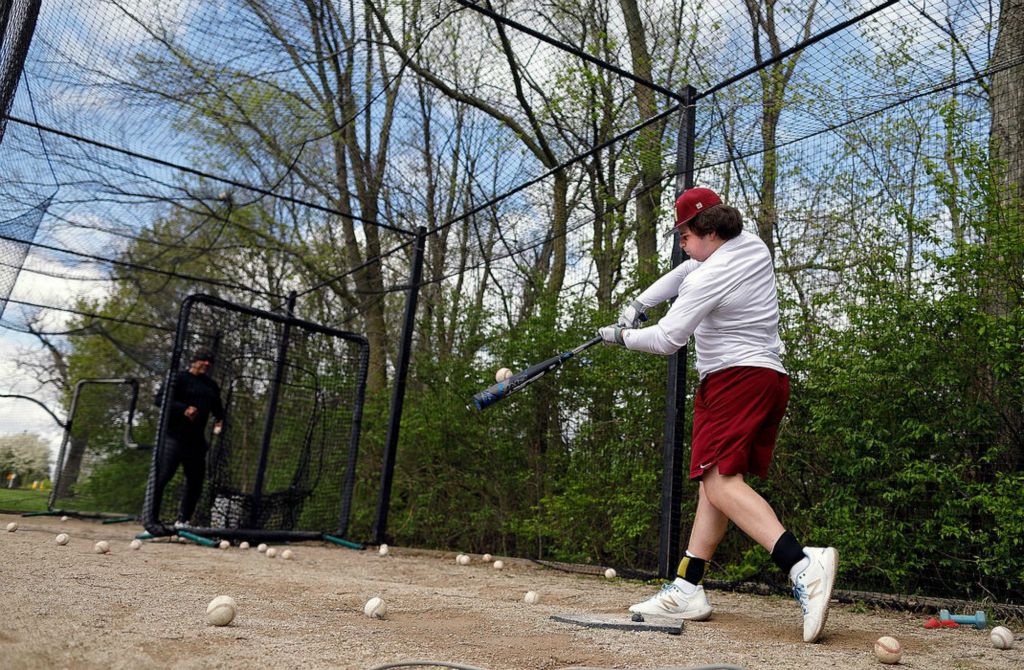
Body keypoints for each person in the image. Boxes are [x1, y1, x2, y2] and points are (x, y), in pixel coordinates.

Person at [598, 187, 838, 643]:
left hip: (733, 380)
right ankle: (688, 586)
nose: (681, 243)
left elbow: (669, 339)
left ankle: (802, 564)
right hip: (766, 378)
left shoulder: (713, 276)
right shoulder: (749, 246)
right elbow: (683, 271)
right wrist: (637, 306)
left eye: (684, 234)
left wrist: (621, 337)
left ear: (707, 231)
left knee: (720, 482)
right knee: (715, 483)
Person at [153, 350, 225, 528]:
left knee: (196, 480)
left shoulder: (211, 386)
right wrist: (183, 408)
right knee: (162, 477)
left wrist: (219, 421)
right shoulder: (179, 378)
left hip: (196, 440)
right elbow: (160, 400)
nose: (207, 364)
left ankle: (183, 520)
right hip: (173, 436)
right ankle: (151, 518)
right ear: (194, 361)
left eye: (210, 362)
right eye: (203, 360)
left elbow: (218, 410)